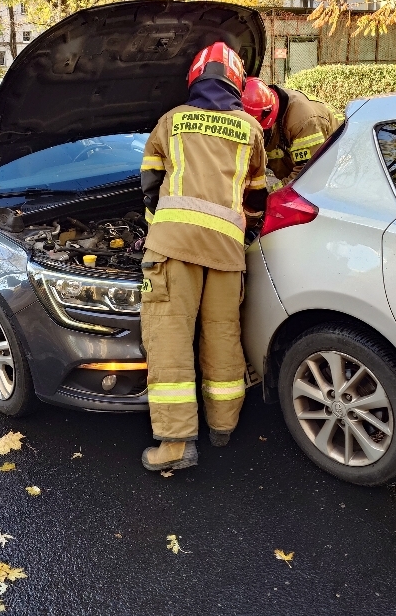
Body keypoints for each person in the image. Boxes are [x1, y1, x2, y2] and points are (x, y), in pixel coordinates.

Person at [138, 41, 268, 471]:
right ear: (236, 82)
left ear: (194, 79)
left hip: (174, 248)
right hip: (228, 251)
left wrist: (156, 229)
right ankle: (223, 426)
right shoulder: (251, 129)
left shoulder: (171, 122)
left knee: (169, 337)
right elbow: (255, 199)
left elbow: (150, 185)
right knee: (222, 335)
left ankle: (175, 445)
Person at [241, 77, 342, 187]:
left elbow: (307, 177)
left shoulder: (304, 122)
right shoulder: (265, 103)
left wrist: (270, 195)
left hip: (339, 172)